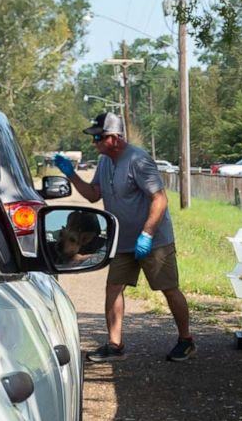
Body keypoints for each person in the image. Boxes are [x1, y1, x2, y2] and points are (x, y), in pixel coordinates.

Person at [51, 112, 196, 363]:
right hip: (122, 240)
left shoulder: (138, 160)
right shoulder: (105, 161)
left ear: (115, 138)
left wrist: (147, 234)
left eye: (99, 137)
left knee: (169, 289)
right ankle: (114, 344)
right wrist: (71, 174)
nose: (94, 143)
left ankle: (186, 340)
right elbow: (93, 195)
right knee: (113, 288)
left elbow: (160, 199)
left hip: (153, 241)